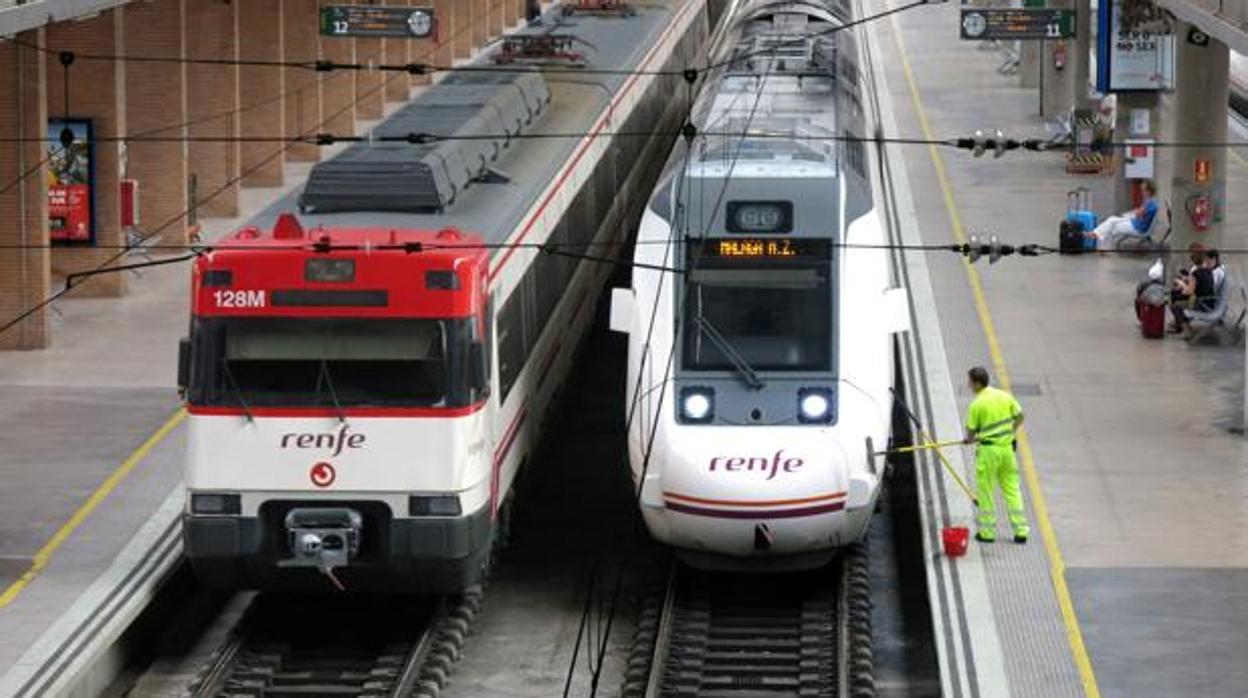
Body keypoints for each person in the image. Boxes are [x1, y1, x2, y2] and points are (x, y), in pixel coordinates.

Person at [962, 367, 1029, 544]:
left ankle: (987, 533)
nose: (968, 385)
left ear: (977, 383)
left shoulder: (977, 404)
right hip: (1007, 450)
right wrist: (1010, 431)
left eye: (970, 382)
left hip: (988, 452)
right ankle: (1021, 531)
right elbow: (1020, 416)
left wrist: (968, 440)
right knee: (1012, 490)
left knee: (986, 492)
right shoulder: (1004, 396)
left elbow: (971, 431)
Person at [1091, 179, 1159, 249]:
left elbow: (1138, 214)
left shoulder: (1150, 203)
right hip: (1136, 224)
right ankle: (1096, 234)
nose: (1142, 192)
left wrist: (1134, 213)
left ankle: (1103, 245)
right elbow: (1139, 213)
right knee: (1112, 220)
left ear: (1148, 191)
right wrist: (1133, 213)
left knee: (1112, 225)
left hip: (1137, 228)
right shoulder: (1151, 201)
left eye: (1143, 190)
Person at [1171, 249, 1223, 335]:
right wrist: (1188, 280)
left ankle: (1187, 329)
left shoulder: (1195, 273)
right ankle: (1179, 324)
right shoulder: (1209, 271)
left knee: (1176, 305)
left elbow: (1189, 292)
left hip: (1202, 304)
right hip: (1211, 302)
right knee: (1179, 298)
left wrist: (1181, 284)